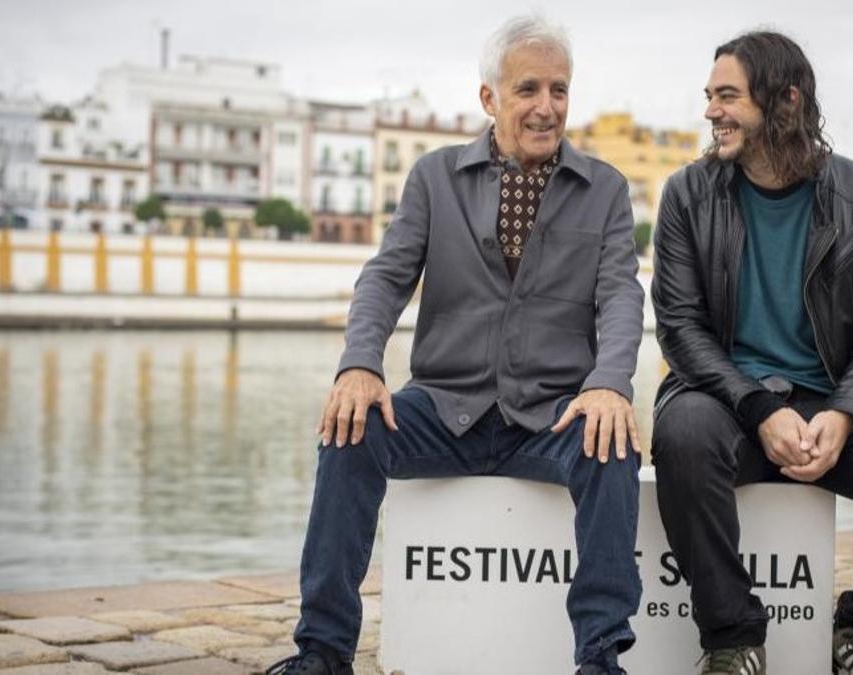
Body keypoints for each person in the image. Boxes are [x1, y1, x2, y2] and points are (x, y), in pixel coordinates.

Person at [267, 15, 645, 675]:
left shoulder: (607, 189)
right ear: (489, 99)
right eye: (528, 89)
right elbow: (386, 277)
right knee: (348, 431)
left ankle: (599, 656)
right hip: (444, 408)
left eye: (560, 89)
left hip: (552, 413)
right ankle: (323, 651)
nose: (546, 106)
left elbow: (620, 295)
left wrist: (609, 382)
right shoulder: (433, 176)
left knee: (610, 442)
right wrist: (359, 365)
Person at [649, 31, 853, 675]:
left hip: (830, 410)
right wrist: (756, 408)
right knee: (683, 432)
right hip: (725, 403)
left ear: (784, 101)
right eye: (708, 96)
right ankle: (732, 640)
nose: (710, 112)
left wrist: (845, 413)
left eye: (727, 96)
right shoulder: (687, 195)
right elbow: (681, 329)